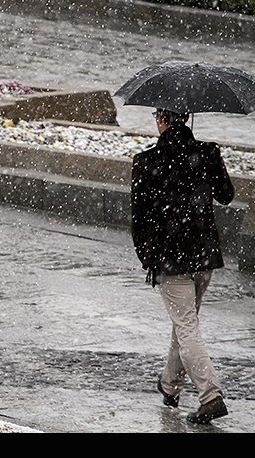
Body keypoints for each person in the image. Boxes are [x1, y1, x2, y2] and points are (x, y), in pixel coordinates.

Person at [131, 107, 235, 425]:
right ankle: (170, 385)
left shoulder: (146, 161)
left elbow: (139, 218)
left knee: (186, 325)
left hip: (169, 258)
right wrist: (203, 167)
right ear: (187, 119)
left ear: (162, 120)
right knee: (185, 322)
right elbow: (227, 196)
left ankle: (210, 395)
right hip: (203, 254)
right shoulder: (206, 153)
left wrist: (148, 258)